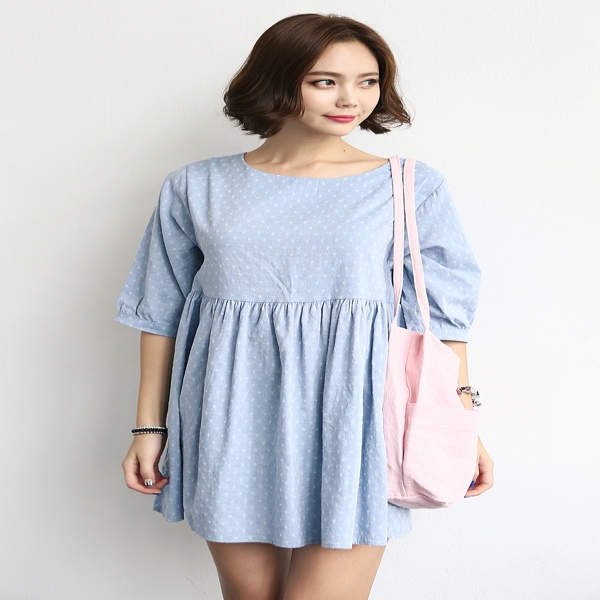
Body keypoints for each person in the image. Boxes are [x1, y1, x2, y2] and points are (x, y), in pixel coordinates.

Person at [115, 13, 494, 600]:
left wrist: (460, 420)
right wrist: (148, 426)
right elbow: (158, 312)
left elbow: (442, 317)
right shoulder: (196, 186)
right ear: (277, 80)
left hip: (356, 417)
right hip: (230, 413)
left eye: (368, 82)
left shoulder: (407, 186)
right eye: (325, 81)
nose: (351, 99)